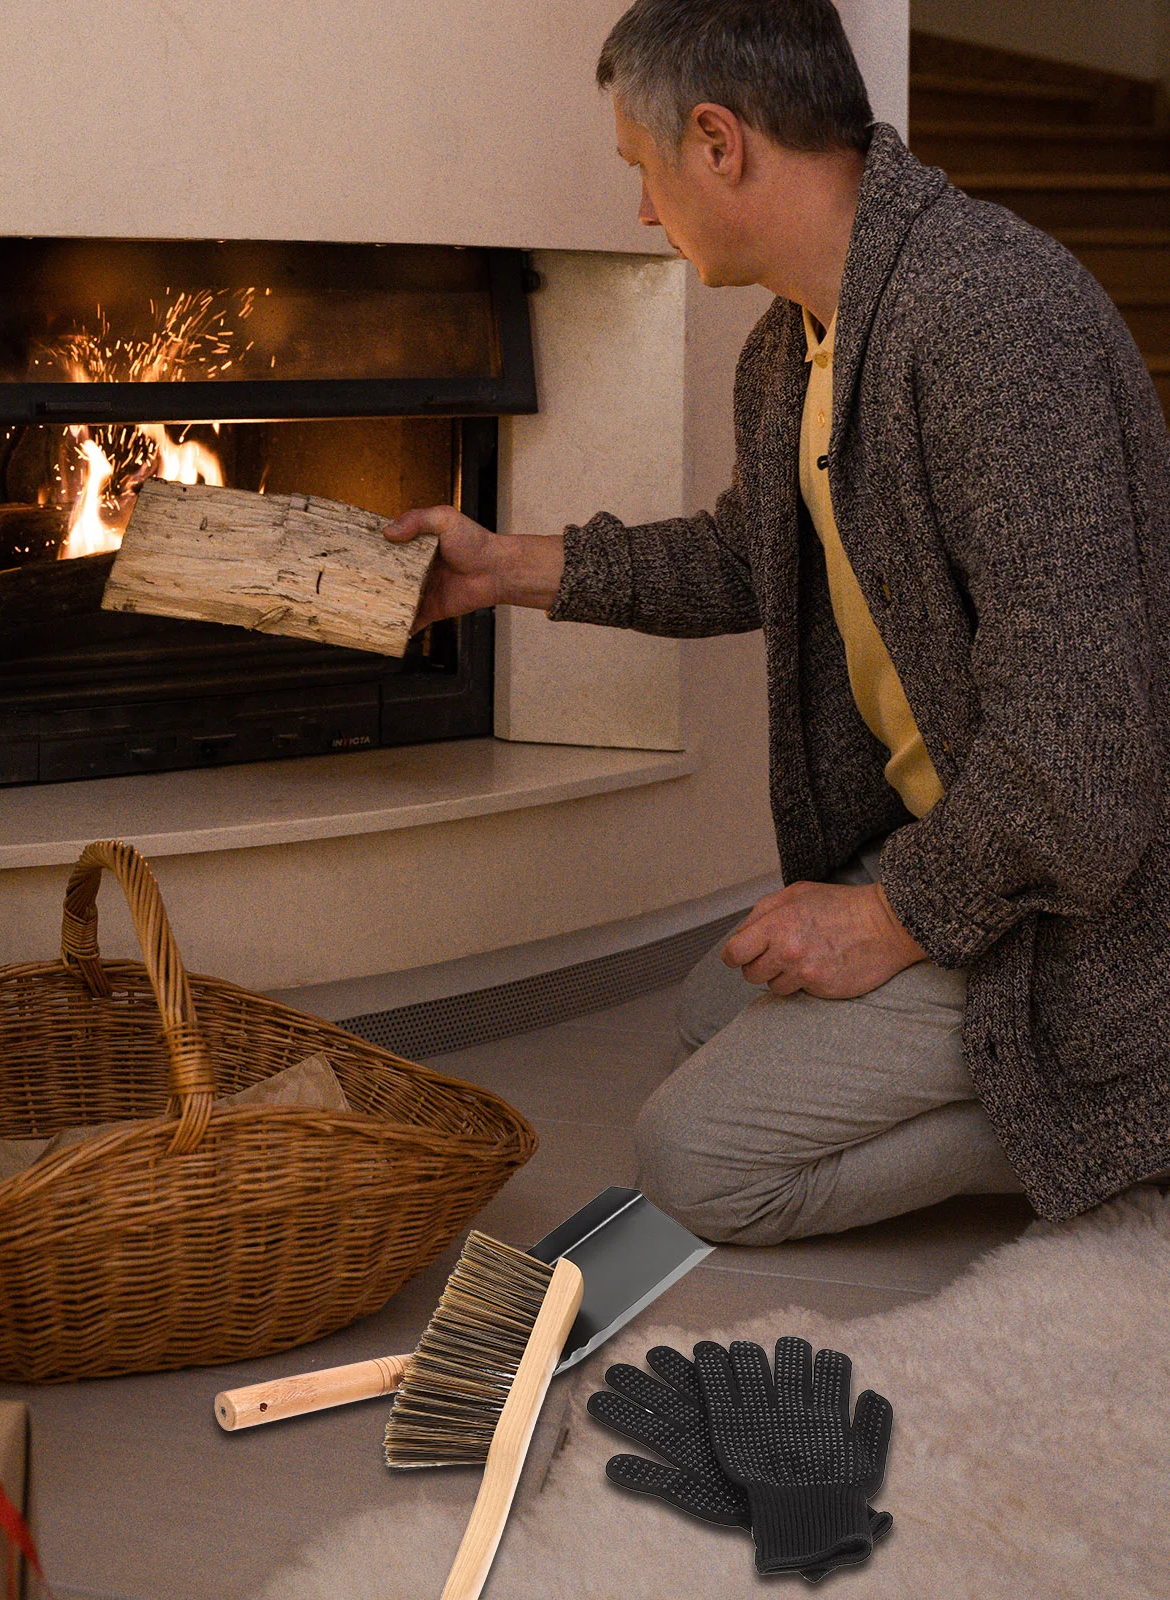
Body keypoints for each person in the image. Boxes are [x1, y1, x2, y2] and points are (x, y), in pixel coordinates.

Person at [385, 0, 1170, 1245]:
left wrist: (889, 919)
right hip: (970, 827)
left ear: (717, 143)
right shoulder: (795, 344)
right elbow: (745, 560)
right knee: (711, 1009)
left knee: (694, 1161)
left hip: (1094, 893)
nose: (644, 209)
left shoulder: (990, 323)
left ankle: (1128, 1092)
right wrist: (502, 568)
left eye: (642, 170)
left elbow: (1077, 760)